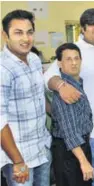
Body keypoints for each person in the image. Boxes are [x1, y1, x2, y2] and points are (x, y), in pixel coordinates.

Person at [44, 8, 94, 186]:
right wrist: (61, 85)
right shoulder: (75, 51)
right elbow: (48, 76)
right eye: (92, 25)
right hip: (92, 129)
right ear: (83, 29)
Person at [1, 9, 52, 186]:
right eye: (18, 32)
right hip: (18, 155)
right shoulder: (3, 69)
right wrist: (17, 161)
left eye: (29, 32)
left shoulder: (34, 59)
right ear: (5, 35)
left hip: (41, 148)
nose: (26, 38)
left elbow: (39, 97)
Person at [50, 43, 94, 186]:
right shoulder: (65, 90)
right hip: (69, 151)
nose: (74, 62)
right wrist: (83, 161)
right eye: (68, 59)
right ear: (59, 63)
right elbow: (69, 132)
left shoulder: (76, 83)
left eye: (76, 58)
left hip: (80, 146)